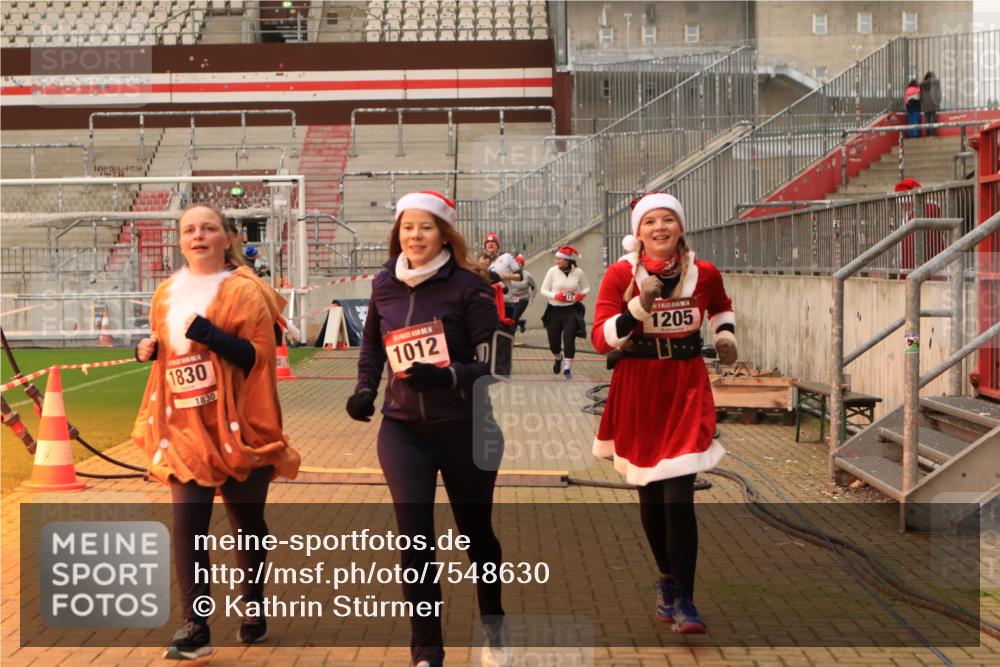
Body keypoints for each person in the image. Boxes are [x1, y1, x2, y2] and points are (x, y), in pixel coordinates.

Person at [345, 191, 509, 667]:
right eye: (407, 227)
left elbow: (498, 363)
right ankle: (427, 652)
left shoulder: (470, 287)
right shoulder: (384, 284)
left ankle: (494, 625)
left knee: (476, 535)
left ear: (444, 233)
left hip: (466, 428)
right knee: (414, 540)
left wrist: (450, 376)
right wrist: (364, 391)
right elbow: (373, 346)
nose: (414, 236)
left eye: (426, 227)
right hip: (403, 431)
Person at [132, 203, 300, 660]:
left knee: (246, 526)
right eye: (190, 230)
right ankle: (196, 625)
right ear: (180, 240)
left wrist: (215, 337)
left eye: (208, 228)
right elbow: (168, 350)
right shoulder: (166, 293)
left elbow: (259, 358)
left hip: (243, 428)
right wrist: (146, 349)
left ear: (226, 237)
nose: (199, 236)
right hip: (185, 428)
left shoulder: (244, 291)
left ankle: (252, 602)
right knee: (188, 528)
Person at [590, 193, 737, 635]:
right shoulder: (620, 275)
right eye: (649, 221)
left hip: (685, 388)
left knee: (680, 497)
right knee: (651, 498)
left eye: (667, 220)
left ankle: (687, 602)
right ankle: (667, 579)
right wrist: (638, 306)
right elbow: (600, 339)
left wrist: (725, 335)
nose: (659, 228)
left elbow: (720, 305)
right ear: (638, 232)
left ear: (680, 227)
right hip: (639, 390)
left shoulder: (703, 272)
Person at [539, 245, 590, 379]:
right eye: (556, 259)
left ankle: (567, 368)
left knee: (569, 339)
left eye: (559, 259)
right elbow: (543, 290)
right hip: (554, 310)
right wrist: (556, 296)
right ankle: (557, 357)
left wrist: (581, 295)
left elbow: (587, 288)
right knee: (554, 343)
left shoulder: (578, 272)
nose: (557, 261)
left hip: (570, 311)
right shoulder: (552, 271)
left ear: (567, 260)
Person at [483, 231, 522, 331]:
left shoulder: (506, 257)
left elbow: (520, 276)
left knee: (505, 332)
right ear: (485, 247)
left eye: (493, 242)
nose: (490, 244)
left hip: (506, 301)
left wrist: (506, 276)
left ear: (498, 246)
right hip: (489, 302)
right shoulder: (483, 261)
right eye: (488, 242)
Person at [508, 255, 536, 334]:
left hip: (523, 299)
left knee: (514, 317)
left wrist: (532, 298)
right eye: (517, 262)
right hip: (512, 299)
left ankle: (511, 337)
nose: (518, 264)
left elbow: (534, 287)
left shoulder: (527, 275)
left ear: (523, 264)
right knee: (511, 317)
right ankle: (520, 322)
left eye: (520, 263)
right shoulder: (509, 273)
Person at [920, 71, 941, 136]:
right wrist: (938, 102)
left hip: (925, 104)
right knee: (932, 119)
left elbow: (921, 96)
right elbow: (938, 93)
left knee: (927, 120)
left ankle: (927, 134)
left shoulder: (922, 84)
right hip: (933, 103)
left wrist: (922, 102)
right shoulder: (936, 83)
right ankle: (931, 134)